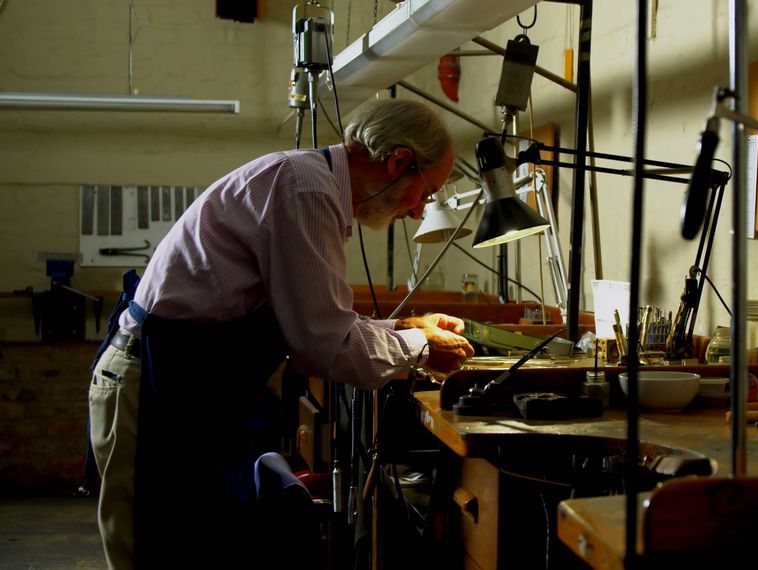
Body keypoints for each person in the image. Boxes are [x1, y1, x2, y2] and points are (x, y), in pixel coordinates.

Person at [87, 99, 475, 568]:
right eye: (425, 193)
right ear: (398, 161)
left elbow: (318, 319)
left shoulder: (311, 186)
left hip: (188, 383)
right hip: (152, 385)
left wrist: (406, 328)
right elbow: (323, 344)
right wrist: (420, 347)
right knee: (153, 548)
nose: (417, 213)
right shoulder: (306, 191)